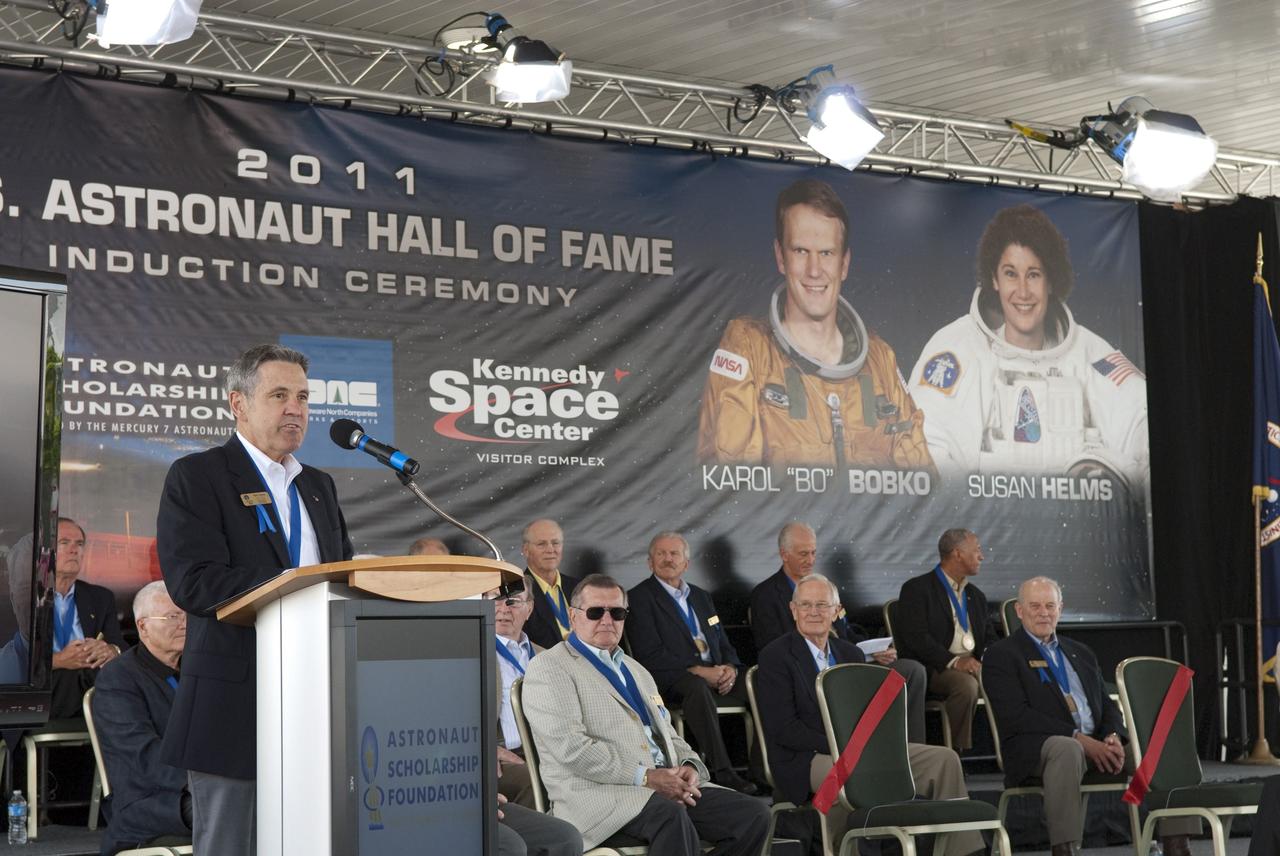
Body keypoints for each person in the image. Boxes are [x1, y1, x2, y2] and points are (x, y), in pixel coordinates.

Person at [156, 343, 354, 855]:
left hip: (318, 704)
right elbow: (194, 582)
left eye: (305, 397)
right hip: (234, 707)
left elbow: (343, 581)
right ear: (237, 404)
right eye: (280, 395)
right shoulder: (199, 476)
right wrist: (292, 586)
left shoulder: (319, 487)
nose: (297, 408)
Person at [696, 178, 935, 473]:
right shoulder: (748, 348)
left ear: (844, 264)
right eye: (800, 251)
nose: (814, 270)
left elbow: (921, 484)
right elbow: (732, 477)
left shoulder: (880, 359)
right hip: (785, 521)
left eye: (826, 253)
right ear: (780, 257)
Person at [522, 574, 768, 855]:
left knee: (753, 815)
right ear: (572, 616)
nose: (606, 620)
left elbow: (669, 732)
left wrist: (689, 765)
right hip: (598, 795)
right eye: (595, 612)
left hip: (662, 785)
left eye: (616, 612)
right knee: (670, 817)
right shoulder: (549, 667)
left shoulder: (636, 670)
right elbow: (572, 749)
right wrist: (647, 777)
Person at [910, 203, 1148, 491]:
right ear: (994, 280)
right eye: (1011, 273)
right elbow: (924, 448)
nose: (1022, 291)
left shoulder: (1092, 356)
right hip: (984, 529)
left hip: (1079, 530)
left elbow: (1144, 431)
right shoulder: (956, 349)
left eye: (1033, 274)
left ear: (1051, 281)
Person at [756, 574, 983, 855]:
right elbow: (784, 729)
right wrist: (847, 748)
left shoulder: (849, 653)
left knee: (944, 760)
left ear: (837, 611)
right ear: (793, 610)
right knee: (847, 773)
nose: (813, 612)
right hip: (807, 758)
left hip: (863, 751)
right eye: (805, 605)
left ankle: (960, 851)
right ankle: (843, 850)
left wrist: (870, 747)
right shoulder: (775, 657)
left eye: (821, 605)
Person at [983, 577, 1196, 856]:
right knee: (1067, 748)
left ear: (1061, 609)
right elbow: (1018, 717)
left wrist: (1113, 736)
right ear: (1020, 611)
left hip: (1095, 742)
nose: (1043, 612)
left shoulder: (1079, 652)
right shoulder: (1002, 655)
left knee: (1158, 748)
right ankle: (1065, 848)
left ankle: (1177, 844)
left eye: (1050, 605)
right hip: (1036, 749)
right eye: (1034, 606)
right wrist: (1081, 740)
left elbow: (1106, 705)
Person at [750, 521, 927, 742]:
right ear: (784, 555)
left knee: (911, 670)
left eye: (814, 553)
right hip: (810, 670)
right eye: (804, 554)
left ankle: (909, 748)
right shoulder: (766, 595)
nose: (811, 560)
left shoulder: (826, 587)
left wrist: (874, 650)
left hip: (851, 659)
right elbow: (772, 645)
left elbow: (847, 631)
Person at [625, 532, 757, 794]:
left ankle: (762, 770)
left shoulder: (701, 597)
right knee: (696, 686)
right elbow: (649, 653)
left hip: (715, 672)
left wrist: (729, 667)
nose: (667, 559)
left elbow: (721, 639)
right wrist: (698, 669)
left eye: (674, 554)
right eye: (660, 554)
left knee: (760, 684)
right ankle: (723, 772)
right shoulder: (639, 598)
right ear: (650, 562)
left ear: (686, 563)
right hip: (672, 678)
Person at [94, 581, 192, 856]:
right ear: (143, 626)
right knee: (236, 809)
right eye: (173, 617)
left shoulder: (197, 670)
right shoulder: (118, 678)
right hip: (149, 798)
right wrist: (208, 780)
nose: (184, 624)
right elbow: (144, 757)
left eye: (186, 616)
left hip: (201, 787)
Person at [893, 528, 992, 752]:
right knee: (966, 686)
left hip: (974, 663)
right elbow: (916, 639)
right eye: (976, 550)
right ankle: (955, 753)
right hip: (936, 666)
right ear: (957, 553)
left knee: (1006, 677)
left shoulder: (976, 596)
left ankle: (1015, 751)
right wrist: (954, 662)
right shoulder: (917, 589)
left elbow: (989, 638)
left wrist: (989, 659)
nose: (981, 556)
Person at [50, 517, 124, 718]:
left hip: (92, 681)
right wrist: (57, 660)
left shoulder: (100, 597)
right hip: (48, 689)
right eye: (64, 543)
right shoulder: (20, 598)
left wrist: (110, 650)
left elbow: (120, 646)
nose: (74, 550)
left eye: (79, 544)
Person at [490, 584, 542, 808]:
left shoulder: (547, 656)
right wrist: (481, 749)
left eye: (513, 601)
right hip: (502, 752)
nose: (503, 608)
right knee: (534, 780)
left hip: (548, 751)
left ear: (529, 609)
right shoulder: (469, 653)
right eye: (496, 599)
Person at [521, 519, 582, 650]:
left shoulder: (580, 587)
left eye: (555, 543)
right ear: (526, 550)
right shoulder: (518, 593)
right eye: (541, 544)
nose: (550, 550)